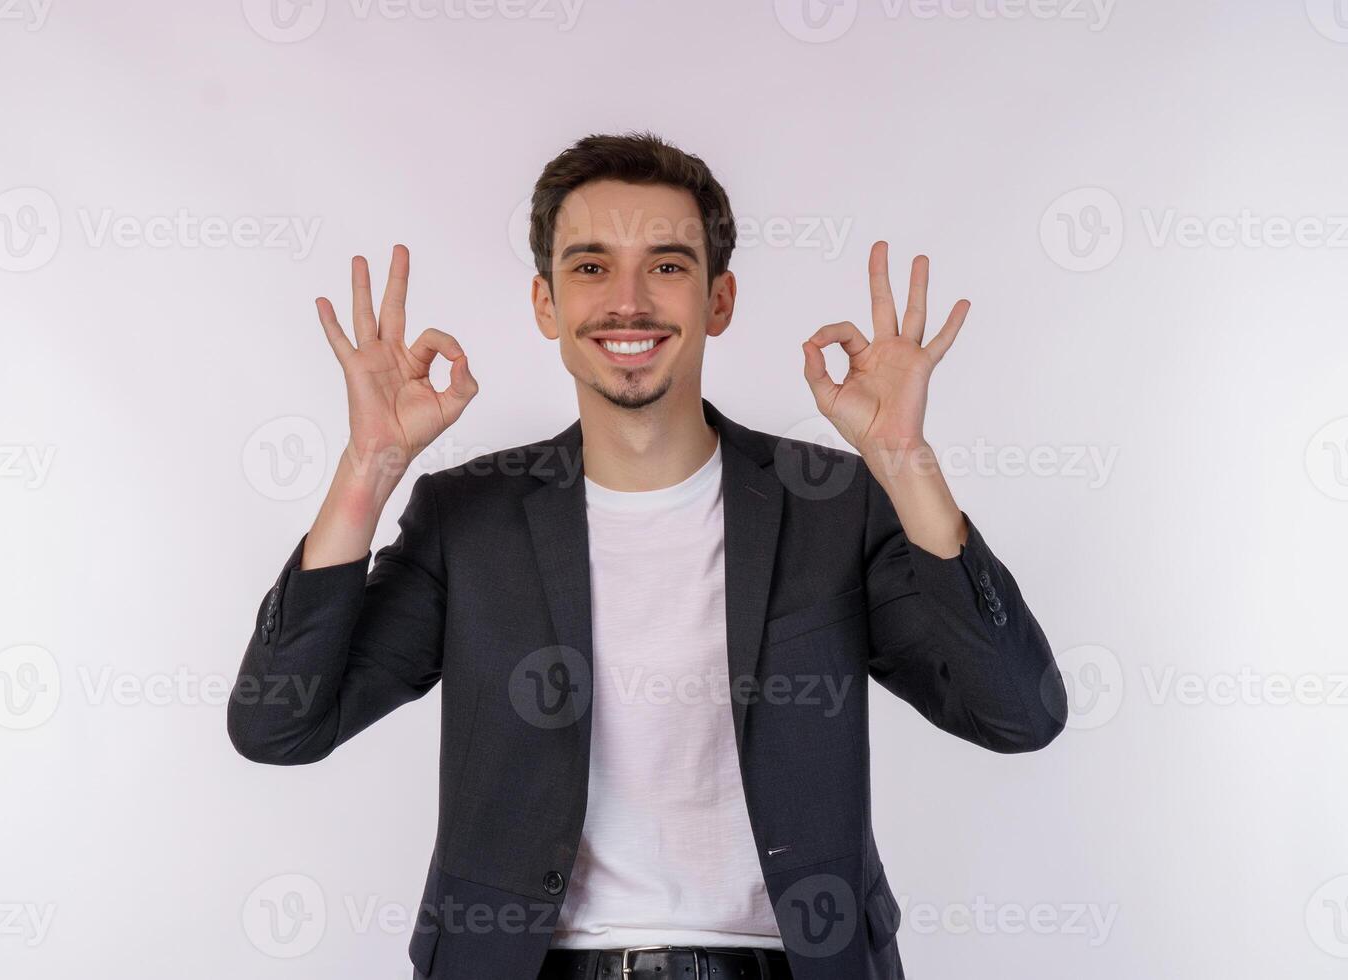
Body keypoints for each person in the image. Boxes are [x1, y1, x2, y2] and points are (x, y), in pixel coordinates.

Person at [228, 131, 1067, 980]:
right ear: (547, 304)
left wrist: (906, 466)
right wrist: (366, 470)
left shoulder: (835, 506)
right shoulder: (469, 519)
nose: (627, 302)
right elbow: (279, 724)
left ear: (719, 299)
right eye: (591, 267)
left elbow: (1018, 714)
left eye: (666, 265)